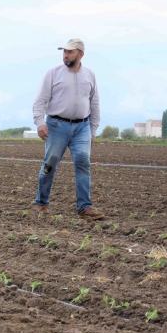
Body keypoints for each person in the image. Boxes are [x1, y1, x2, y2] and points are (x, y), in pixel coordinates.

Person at [32, 38, 104, 221]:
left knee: (83, 163)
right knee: (50, 163)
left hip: (82, 127)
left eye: (70, 52)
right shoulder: (53, 74)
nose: (66, 55)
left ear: (81, 54)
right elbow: (40, 100)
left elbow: (94, 103)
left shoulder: (90, 75)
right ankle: (41, 202)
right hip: (57, 125)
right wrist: (40, 122)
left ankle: (84, 207)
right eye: (64, 51)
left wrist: (93, 130)